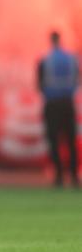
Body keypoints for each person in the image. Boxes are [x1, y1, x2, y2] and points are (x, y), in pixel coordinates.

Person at [37, 31, 79, 188]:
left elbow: (39, 84)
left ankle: (59, 176)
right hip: (68, 103)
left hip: (52, 103)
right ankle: (74, 176)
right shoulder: (71, 59)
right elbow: (77, 80)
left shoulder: (45, 60)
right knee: (70, 140)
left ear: (50, 41)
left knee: (53, 140)